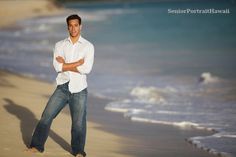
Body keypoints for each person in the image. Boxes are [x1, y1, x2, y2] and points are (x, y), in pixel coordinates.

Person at [27, 14, 94, 157]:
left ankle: (78, 151)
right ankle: (36, 146)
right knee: (46, 116)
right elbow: (57, 67)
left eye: (76, 25)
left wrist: (65, 64)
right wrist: (77, 63)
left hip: (80, 89)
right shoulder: (59, 45)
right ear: (67, 27)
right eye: (70, 25)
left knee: (78, 124)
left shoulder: (88, 46)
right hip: (62, 87)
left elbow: (86, 69)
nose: (73, 28)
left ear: (80, 26)